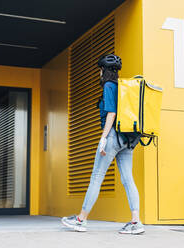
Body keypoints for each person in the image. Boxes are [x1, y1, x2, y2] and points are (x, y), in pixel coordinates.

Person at [61, 54, 144, 234]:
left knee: (96, 177)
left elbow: (111, 114)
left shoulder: (108, 86)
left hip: (113, 137)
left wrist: (103, 138)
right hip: (127, 140)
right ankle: (136, 222)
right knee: (128, 179)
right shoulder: (122, 87)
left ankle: (81, 219)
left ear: (102, 70)